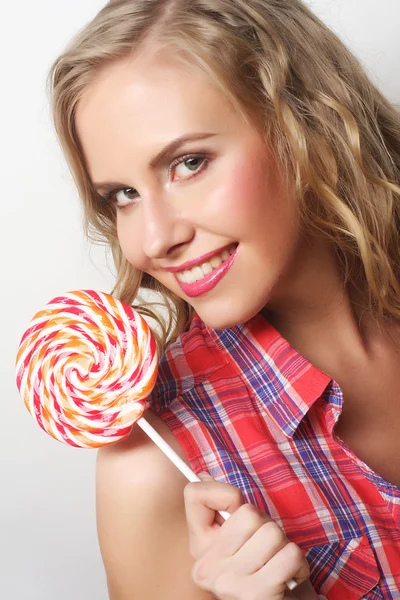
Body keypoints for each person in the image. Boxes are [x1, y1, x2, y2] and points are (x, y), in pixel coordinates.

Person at [48, 0, 400, 598]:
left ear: (306, 126)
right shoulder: (154, 465)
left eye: (189, 163)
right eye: (122, 194)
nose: (156, 239)